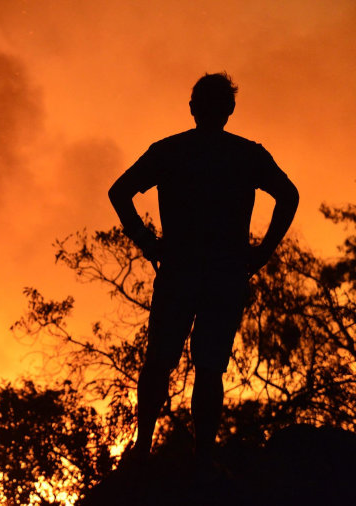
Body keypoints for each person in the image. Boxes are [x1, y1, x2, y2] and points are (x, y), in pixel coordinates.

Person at [108, 72, 299, 468]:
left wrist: (148, 244)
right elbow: (289, 195)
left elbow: (119, 192)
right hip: (222, 273)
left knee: (162, 360)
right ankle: (201, 455)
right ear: (229, 110)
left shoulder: (171, 151)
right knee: (208, 366)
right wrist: (262, 251)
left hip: (182, 269)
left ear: (193, 107)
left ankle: (145, 448)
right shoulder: (246, 155)